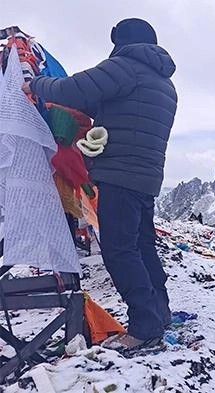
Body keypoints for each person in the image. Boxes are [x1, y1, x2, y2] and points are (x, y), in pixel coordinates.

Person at [24, 18, 177, 350]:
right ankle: (159, 311)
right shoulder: (162, 82)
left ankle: (145, 328)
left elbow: (73, 89)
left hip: (119, 173)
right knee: (142, 246)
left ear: (122, 41)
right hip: (146, 177)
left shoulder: (125, 67)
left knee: (120, 251)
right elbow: (105, 103)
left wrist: (37, 84)